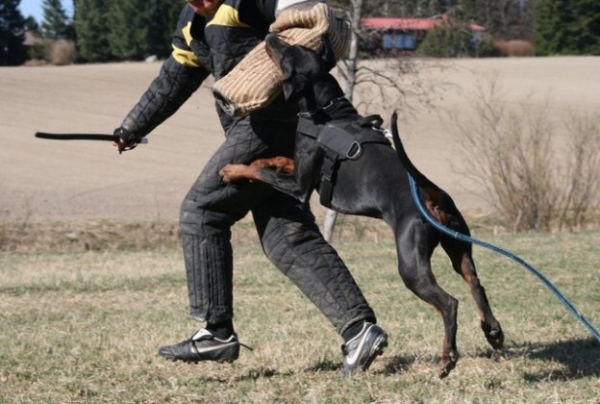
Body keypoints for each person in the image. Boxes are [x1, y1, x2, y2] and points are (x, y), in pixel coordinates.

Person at [112, 0, 387, 376]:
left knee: (203, 210)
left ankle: (216, 330)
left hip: (270, 123)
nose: (198, 2)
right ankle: (360, 331)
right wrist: (133, 127)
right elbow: (174, 79)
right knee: (287, 236)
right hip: (264, 128)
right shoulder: (191, 25)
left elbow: (319, 17)